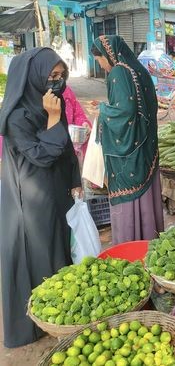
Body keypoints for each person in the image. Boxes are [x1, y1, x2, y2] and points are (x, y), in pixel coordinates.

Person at [0, 47, 81, 348]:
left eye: (61, 76)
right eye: (52, 75)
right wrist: (54, 116)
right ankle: (35, 322)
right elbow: (41, 156)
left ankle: (57, 315)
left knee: (58, 248)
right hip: (31, 198)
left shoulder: (50, 103)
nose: (57, 82)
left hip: (56, 190)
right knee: (40, 253)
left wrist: (75, 180)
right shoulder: (17, 117)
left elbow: (65, 147)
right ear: (33, 76)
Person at [90, 35, 164, 245]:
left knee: (129, 202)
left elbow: (125, 110)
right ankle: (149, 244)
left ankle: (130, 248)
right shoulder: (139, 70)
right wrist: (107, 106)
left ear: (107, 55)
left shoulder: (118, 71)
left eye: (100, 60)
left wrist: (102, 110)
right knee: (147, 202)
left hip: (130, 154)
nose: (102, 66)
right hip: (146, 148)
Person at [63, 85, 92, 157]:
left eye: (59, 75)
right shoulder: (34, 96)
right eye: (53, 75)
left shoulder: (66, 90)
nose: (58, 79)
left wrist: (83, 123)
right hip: (47, 154)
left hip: (70, 150)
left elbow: (77, 113)